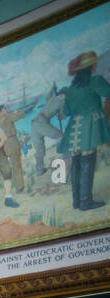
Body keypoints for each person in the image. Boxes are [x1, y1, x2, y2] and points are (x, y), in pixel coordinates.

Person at [57, 51, 110, 212]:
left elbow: (66, 112)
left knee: (77, 165)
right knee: (87, 163)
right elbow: (108, 92)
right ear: (91, 67)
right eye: (94, 64)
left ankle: (77, 201)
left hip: (73, 130)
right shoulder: (96, 81)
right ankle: (85, 202)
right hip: (89, 128)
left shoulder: (70, 89)